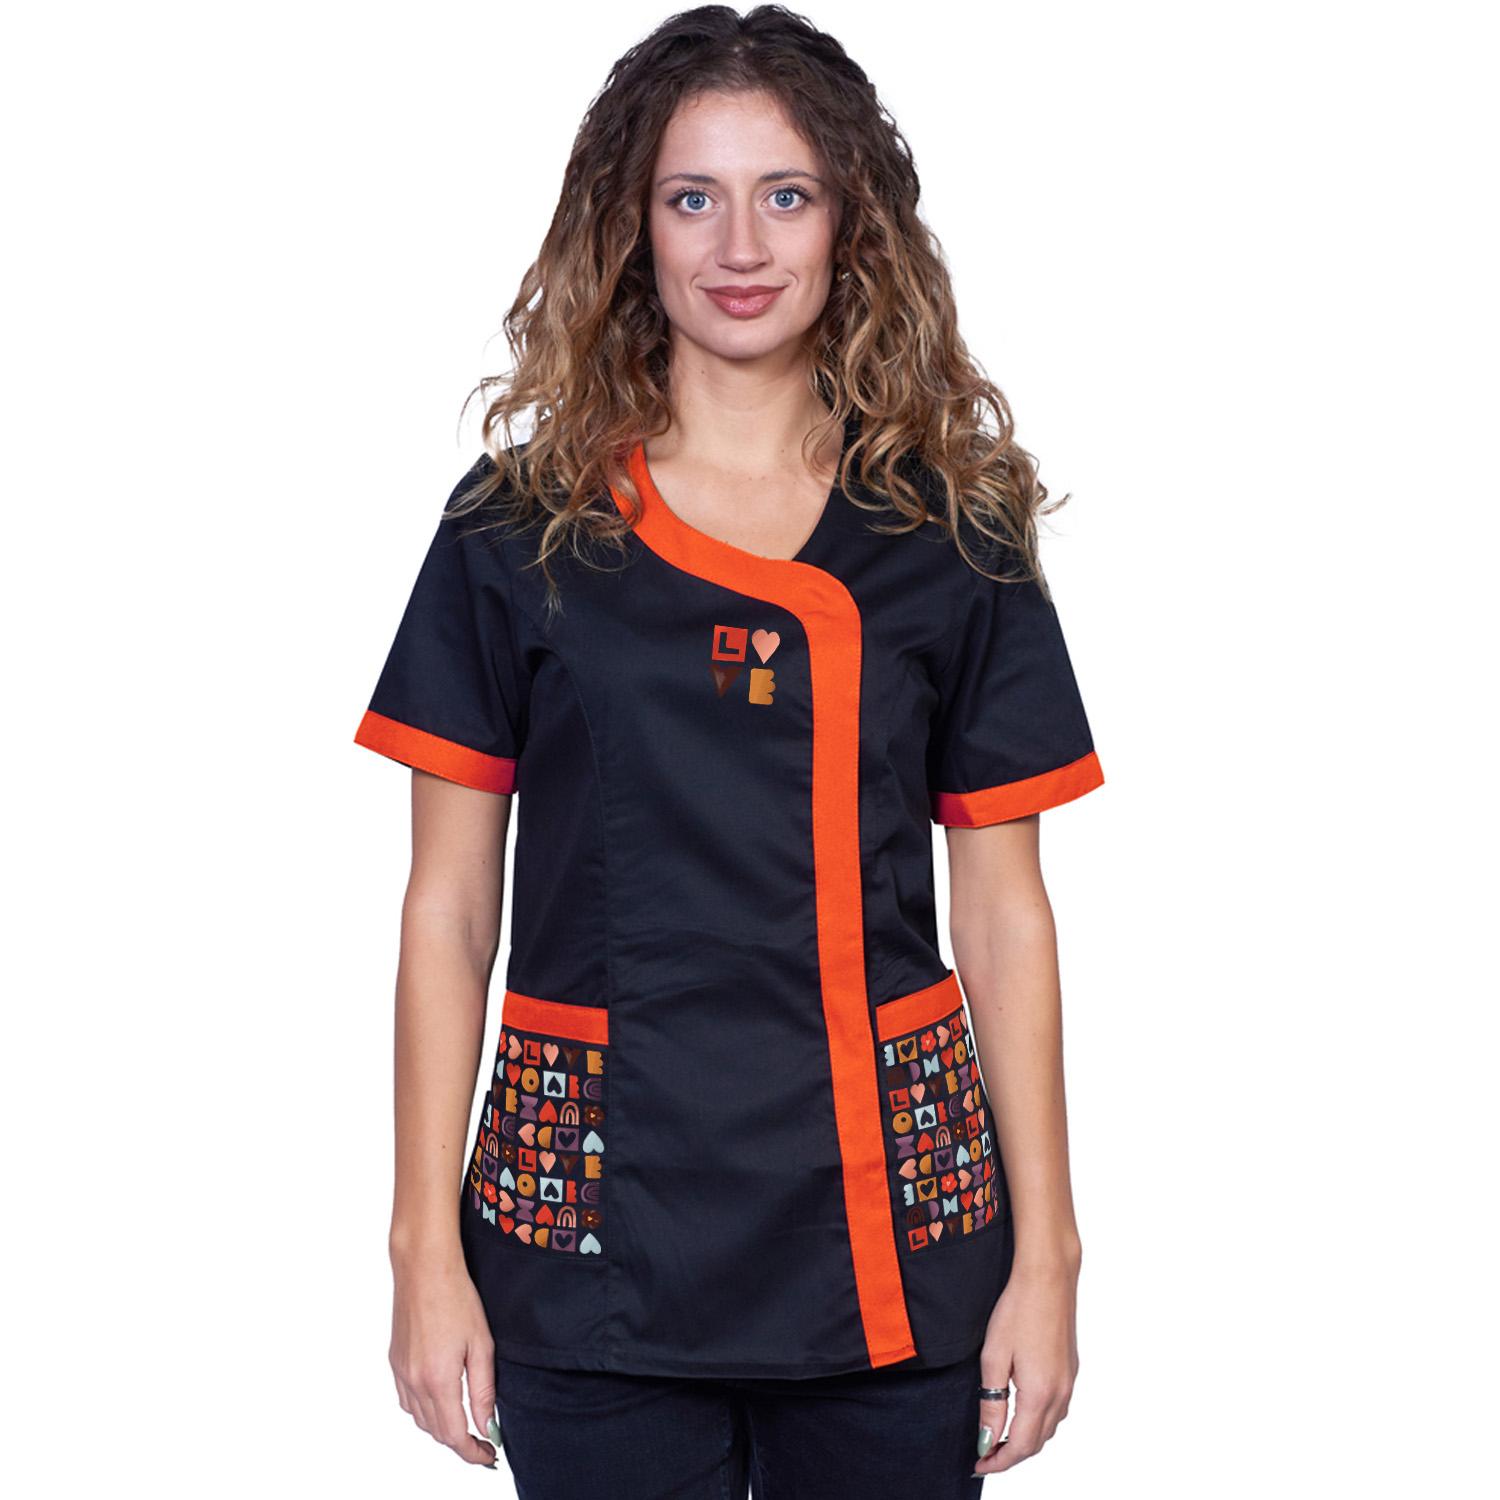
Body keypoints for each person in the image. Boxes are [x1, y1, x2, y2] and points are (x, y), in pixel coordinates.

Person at [352, 7, 1104, 1496]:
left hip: (896, 1231)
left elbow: (1005, 914)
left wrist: (1051, 1258)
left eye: (787, 195)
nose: (740, 245)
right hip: (587, 1234)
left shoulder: (951, 528)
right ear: (630, 229)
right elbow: (447, 911)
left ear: (851, 224)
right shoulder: (518, 530)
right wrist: (421, 1251)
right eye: (692, 197)